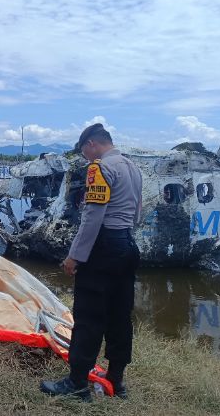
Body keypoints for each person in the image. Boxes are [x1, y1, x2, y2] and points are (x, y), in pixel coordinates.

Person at [40, 123, 142, 401]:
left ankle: (77, 384)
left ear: (92, 144)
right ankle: (116, 381)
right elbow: (137, 213)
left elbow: (93, 216)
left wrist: (75, 255)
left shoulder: (99, 168)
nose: (85, 157)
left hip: (103, 249)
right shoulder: (132, 168)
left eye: (84, 151)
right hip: (127, 245)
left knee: (88, 317)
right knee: (120, 316)